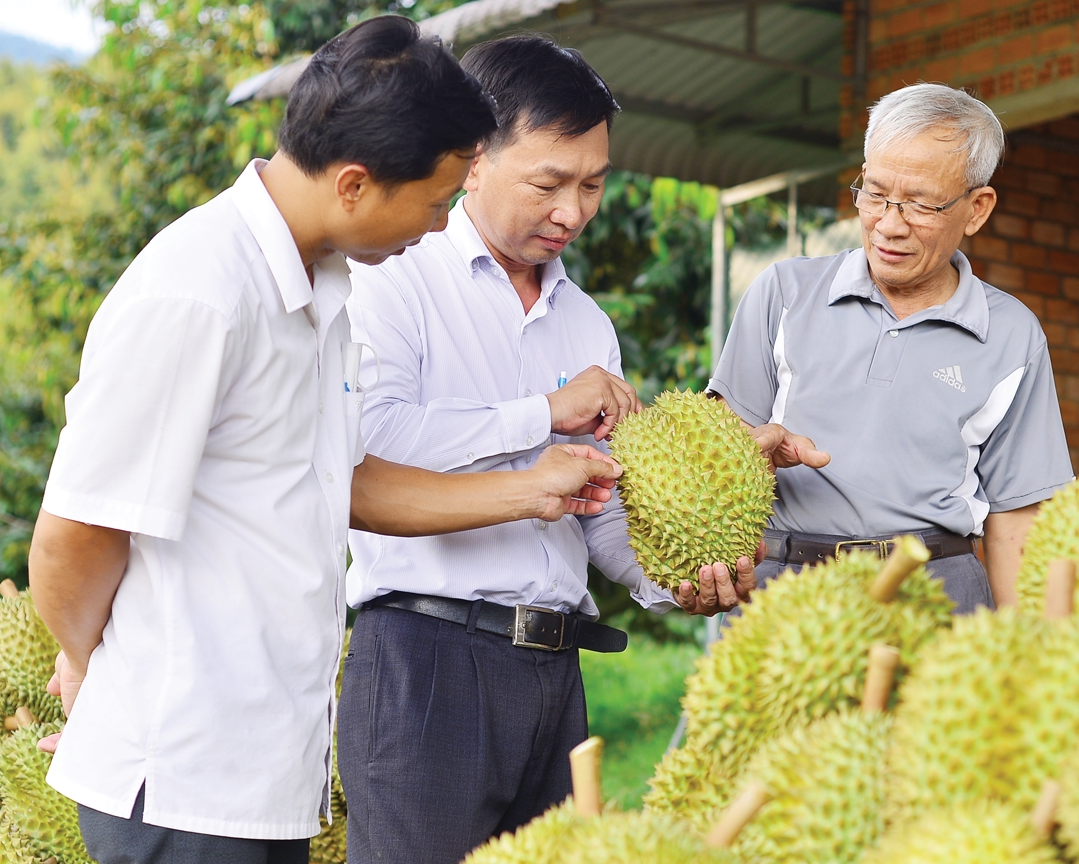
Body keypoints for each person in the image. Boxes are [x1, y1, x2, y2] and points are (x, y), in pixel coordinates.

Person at [27, 18, 623, 864]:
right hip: (181, 771)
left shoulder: (323, 288)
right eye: (431, 199)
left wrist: (537, 488)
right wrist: (93, 669)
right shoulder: (198, 290)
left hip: (268, 775)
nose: (435, 224)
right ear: (354, 183)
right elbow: (74, 536)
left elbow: (345, 483)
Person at [337, 35, 813, 864]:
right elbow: (368, 448)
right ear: (473, 160)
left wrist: (675, 580)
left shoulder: (588, 324)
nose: (574, 211)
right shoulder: (392, 280)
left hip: (554, 671)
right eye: (550, 183)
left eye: (592, 184)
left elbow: (595, 515)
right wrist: (542, 414)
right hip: (424, 663)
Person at [709, 82, 1074, 614]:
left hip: (937, 596)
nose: (889, 224)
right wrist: (750, 452)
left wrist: (1029, 656)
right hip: (785, 589)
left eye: (921, 205)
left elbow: (1016, 519)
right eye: (875, 194)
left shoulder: (1013, 334)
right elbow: (717, 446)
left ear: (976, 209)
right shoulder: (784, 292)